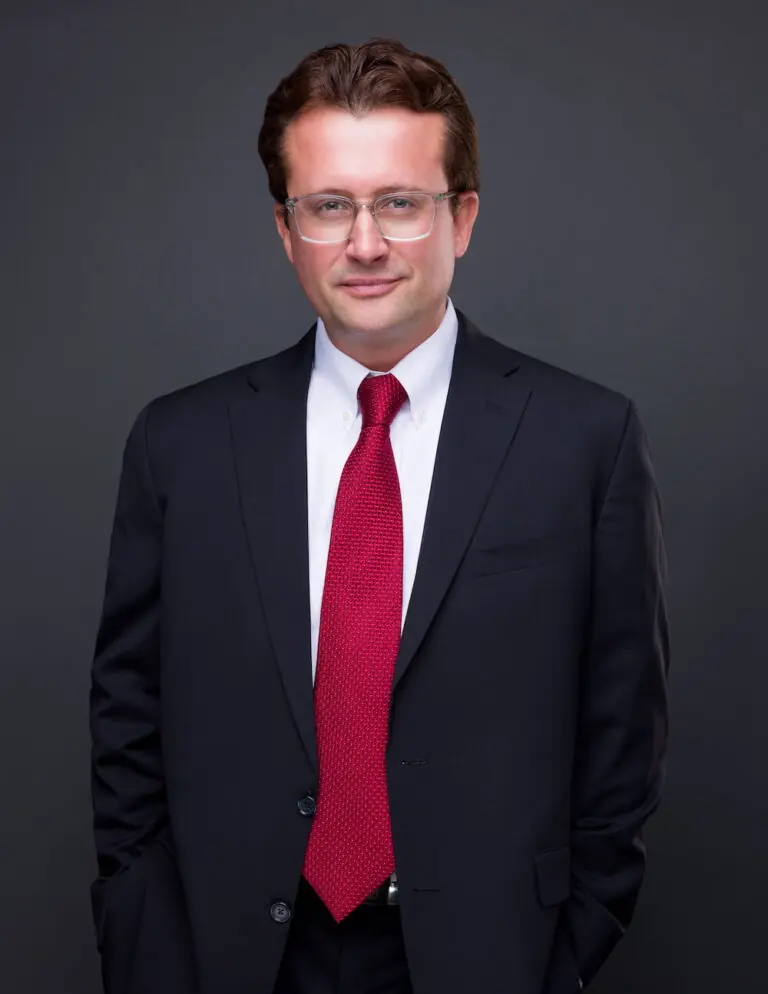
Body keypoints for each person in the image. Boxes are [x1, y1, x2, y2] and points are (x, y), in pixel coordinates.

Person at [89, 38, 669, 994]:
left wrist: (560, 957)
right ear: (286, 229)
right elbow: (127, 726)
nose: (365, 243)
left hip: (486, 960)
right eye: (329, 206)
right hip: (228, 957)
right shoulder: (181, 445)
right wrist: (145, 943)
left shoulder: (586, 439)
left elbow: (623, 738)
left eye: (399, 202)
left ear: (463, 217)